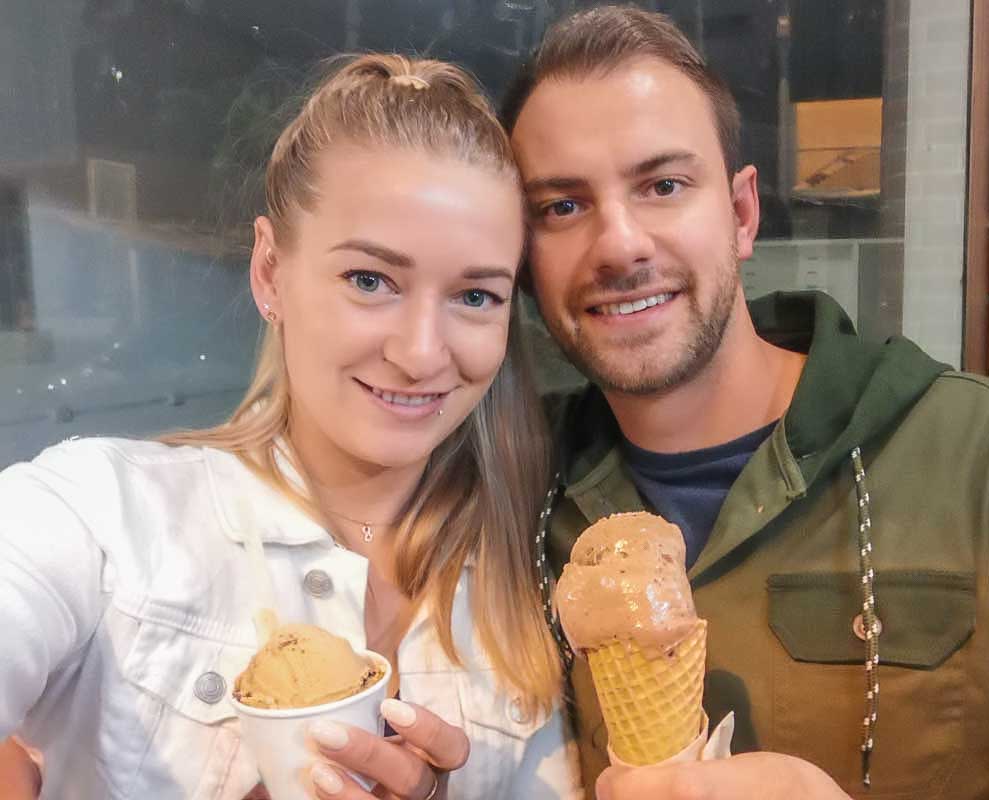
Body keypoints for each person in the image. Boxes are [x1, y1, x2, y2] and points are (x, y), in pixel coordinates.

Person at [501, 6, 989, 799]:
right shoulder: (506, 491)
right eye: (562, 207)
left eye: (663, 185)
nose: (620, 244)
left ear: (741, 214)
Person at [0, 54, 582, 800]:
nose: (421, 353)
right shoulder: (107, 516)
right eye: (370, 280)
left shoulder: (525, 582)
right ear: (271, 271)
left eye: (475, 296)